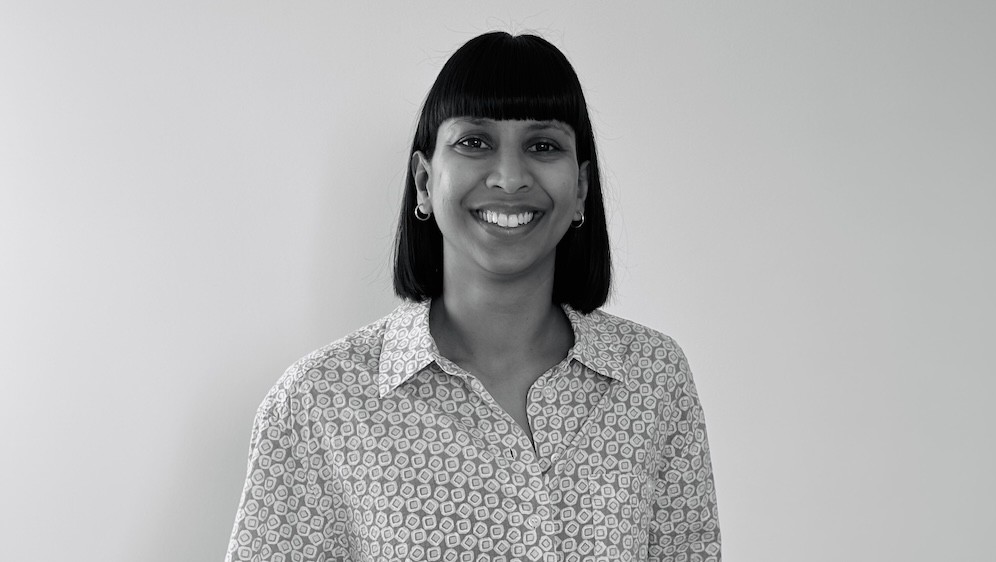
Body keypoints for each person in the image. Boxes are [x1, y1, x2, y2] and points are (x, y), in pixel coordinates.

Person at [226, 31, 720, 562]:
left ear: (580, 188)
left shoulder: (654, 378)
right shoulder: (317, 404)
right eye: (475, 142)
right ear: (424, 181)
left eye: (543, 145)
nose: (509, 179)